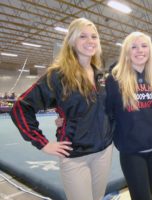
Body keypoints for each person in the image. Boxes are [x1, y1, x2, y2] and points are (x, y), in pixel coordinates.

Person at [10, 18, 113, 200]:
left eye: (94, 36)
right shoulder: (58, 76)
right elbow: (21, 107)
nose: (90, 41)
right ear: (72, 41)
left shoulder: (100, 75)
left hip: (103, 152)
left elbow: (104, 109)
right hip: (75, 157)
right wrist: (43, 143)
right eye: (83, 36)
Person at [106, 32, 152, 200]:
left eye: (144, 46)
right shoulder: (115, 80)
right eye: (134, 47)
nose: (140, 50)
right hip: (132, 152)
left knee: (150, 194)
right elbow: (106, 112)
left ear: (150, 51)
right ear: (127, 52)